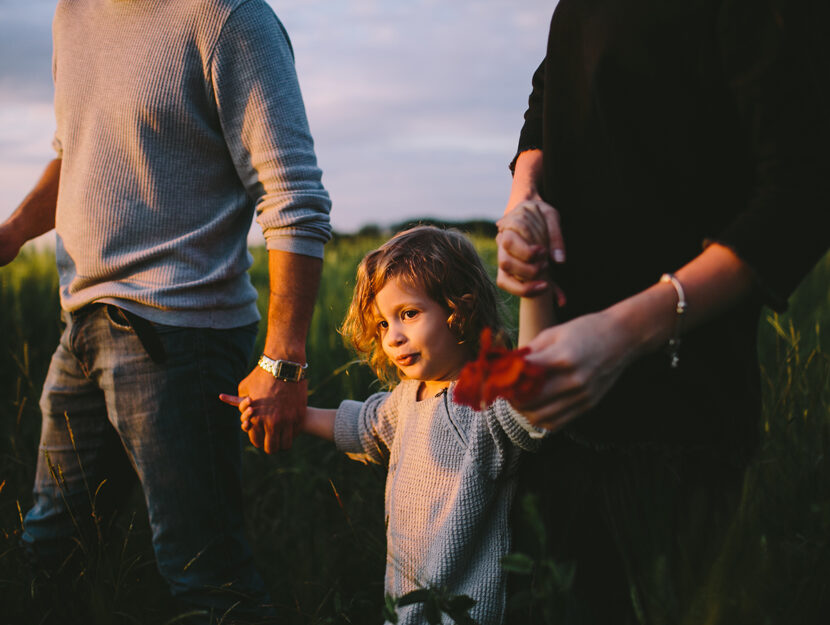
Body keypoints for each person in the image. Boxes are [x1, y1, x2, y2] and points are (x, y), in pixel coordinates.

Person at [496, 1, 830, 623]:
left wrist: (623, 333)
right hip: (561, 409)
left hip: (677, 422)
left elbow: (801, 195)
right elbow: (551, 93)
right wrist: (526, 197)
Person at [0, 0, 331, 620]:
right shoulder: (72, 14)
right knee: (50, 551)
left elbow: (294, 197)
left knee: (207, 579)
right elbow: (76, 152)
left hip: (183, 341)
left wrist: (284, 363)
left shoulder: (230, 19)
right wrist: (15, 230)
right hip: (82, 326)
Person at [223, 226, 549, 625]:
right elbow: (365, 425)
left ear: (460, 307)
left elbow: (534, 401)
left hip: (466, 614)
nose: (392, 337)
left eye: (408, 314)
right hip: (402, 608)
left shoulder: (488, 397)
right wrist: (292, 413)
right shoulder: (407, 399)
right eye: (382, 324)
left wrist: (535, 288)